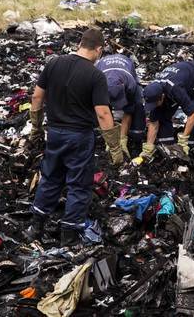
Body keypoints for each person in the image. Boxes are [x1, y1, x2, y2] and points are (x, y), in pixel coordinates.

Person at [25, 28, 123, 246]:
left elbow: (37, 96)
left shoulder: (53, 63)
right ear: (98, 49)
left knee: (50, 177)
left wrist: (36, 127)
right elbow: (103, 113)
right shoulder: (95, 75)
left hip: (55, 133)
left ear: (80, 43)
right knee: (79, 184)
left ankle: (36, 227)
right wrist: (115, 147)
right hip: (79, 136)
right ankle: (69, 235)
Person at [138, 61, 194, 165]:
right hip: (182, 81)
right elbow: (154, 122)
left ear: (163, 96)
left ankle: (190, 148)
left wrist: (183, 140)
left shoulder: (175, 89)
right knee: (162, 115)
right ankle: (168, 146)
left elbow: (192, 115)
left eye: (156, 103)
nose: (154, 106)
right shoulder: (154, 91)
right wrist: (148, 148)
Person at [95, 53, 145, 163]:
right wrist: (111, 141)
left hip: (126, 66)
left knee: (137, 105)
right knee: (101, 113)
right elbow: (103, 113)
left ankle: (131, 137)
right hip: (105, 70)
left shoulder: (130, 84)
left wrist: (122, 139)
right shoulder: (96, 82)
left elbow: (128, 111)